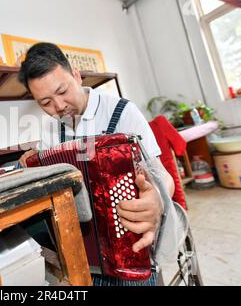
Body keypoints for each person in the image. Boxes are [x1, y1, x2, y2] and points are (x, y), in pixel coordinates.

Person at [17, 42, 175, 286]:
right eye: (45, 102)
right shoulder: (50, 130)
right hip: (83, 253)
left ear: (77, 76)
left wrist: (158, 199)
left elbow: (162, 176)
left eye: (63, 91)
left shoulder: (122, 112)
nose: (59, 107)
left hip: (128, 245)